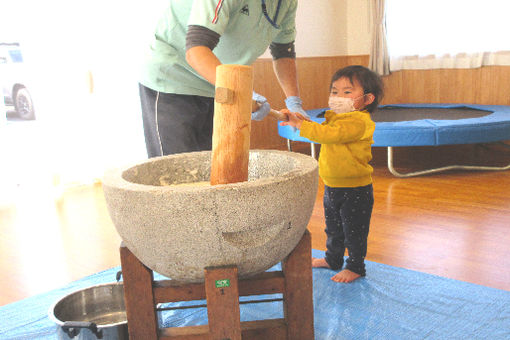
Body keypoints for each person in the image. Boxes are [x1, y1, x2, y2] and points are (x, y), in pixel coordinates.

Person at [139, 0, 308, 158]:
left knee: (210, 170)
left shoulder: (287, 3)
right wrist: (243, 93)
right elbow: (197, 49)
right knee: (176, 176)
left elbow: (283, 52)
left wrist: (294, 103)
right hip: (174, 79)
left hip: (218, 85)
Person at [280, 65, 384, 283]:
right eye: (334, 91)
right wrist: (300, 120)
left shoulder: (359, 122)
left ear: (367, 99)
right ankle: (332, 259)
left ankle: (355, 266)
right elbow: (324, 130)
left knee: (353, 231)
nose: (338, 97)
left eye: (347, 92)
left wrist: (301, 125)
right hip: (332, 185)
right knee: (334, 227)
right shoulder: (336, 118)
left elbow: (330, 135)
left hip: (355, 189)